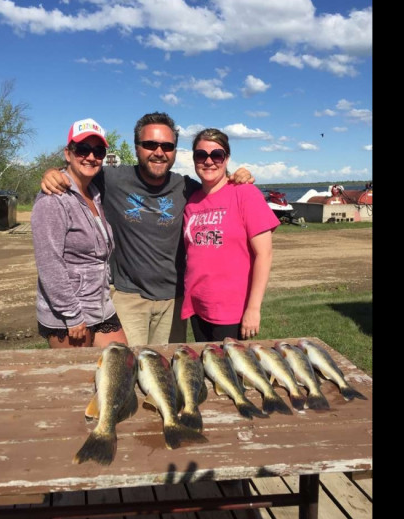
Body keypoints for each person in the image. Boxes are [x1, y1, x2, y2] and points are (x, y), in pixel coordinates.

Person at [41, 112, 254, 347]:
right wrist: (54, 173)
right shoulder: (112, 179)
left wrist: (238, 176)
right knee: (126, 371)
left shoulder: (186, 187)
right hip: (128, 298)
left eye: (167, 146)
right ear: (137, 148)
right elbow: (80, 169)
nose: (159, 152)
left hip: (173, 300)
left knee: (168, 371)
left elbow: (217, 188)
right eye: (150, 144)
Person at [31, 118, 128, 348]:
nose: (91, 156)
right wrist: (72, 315)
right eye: (83, 149)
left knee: (123, 362)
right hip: (69, 315)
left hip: (100, 306)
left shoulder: (94, 192)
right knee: (77, 379)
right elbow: (49, 263)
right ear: (68, 153)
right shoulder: (53, 198)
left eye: (98, 151)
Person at [181, 128, 280, 342]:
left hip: (231, 311)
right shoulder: (192, 201)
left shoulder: (245, 193)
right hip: (198, 305)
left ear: (226, 158)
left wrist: (254, 309)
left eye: (216, 155)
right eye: (201, 155)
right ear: (194, 159)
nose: (208, 161)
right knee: (208, 368)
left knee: (231, 373)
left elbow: (265, 254)